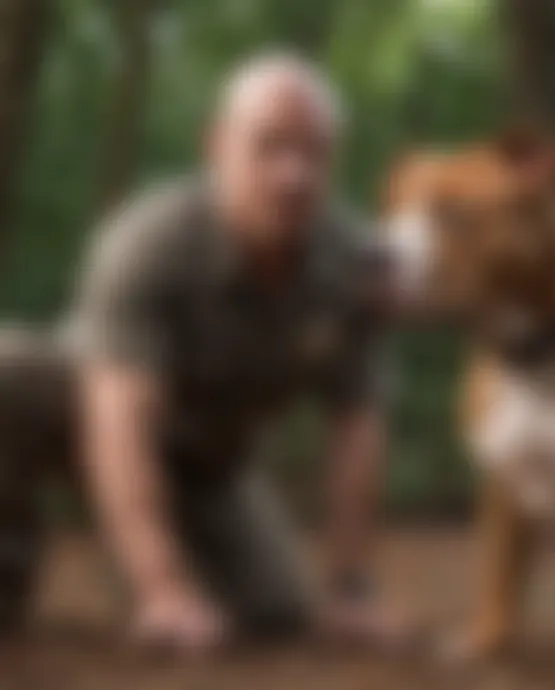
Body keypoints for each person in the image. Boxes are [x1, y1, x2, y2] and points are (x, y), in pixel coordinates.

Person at [63, 52, 397, 652]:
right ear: (216, 145)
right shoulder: (148, 240)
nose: (293, 175)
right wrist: (162, 589)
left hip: (205, 460)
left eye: (312, 152)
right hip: (82, 412)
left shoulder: (352, 262)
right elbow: (119, 422)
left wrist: (351, 589)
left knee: (276, 613)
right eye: (268, 147)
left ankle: (156, 560)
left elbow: (358, 422)